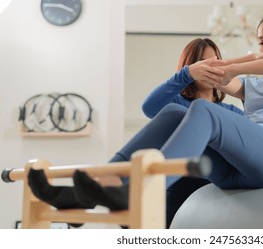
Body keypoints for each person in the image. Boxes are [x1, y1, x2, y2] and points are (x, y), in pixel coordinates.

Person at [29, 10, 263, 228]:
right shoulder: (253, 87)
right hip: (236, 170)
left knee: (204, 110)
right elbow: (216, 75)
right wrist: (192, 72)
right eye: (261, 43)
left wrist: (243, 62)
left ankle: (141, 193)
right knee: (176, 111)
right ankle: (95, 187)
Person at [27, 38, 244, 228]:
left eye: (216, 61)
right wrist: (186, 74)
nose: (212, 67)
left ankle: (86, 196)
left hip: (210, 189)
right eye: (204, 63)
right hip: (174, 189)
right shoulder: (178, 104)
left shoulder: (232, 112)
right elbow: (149, 107)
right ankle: (92, 193)